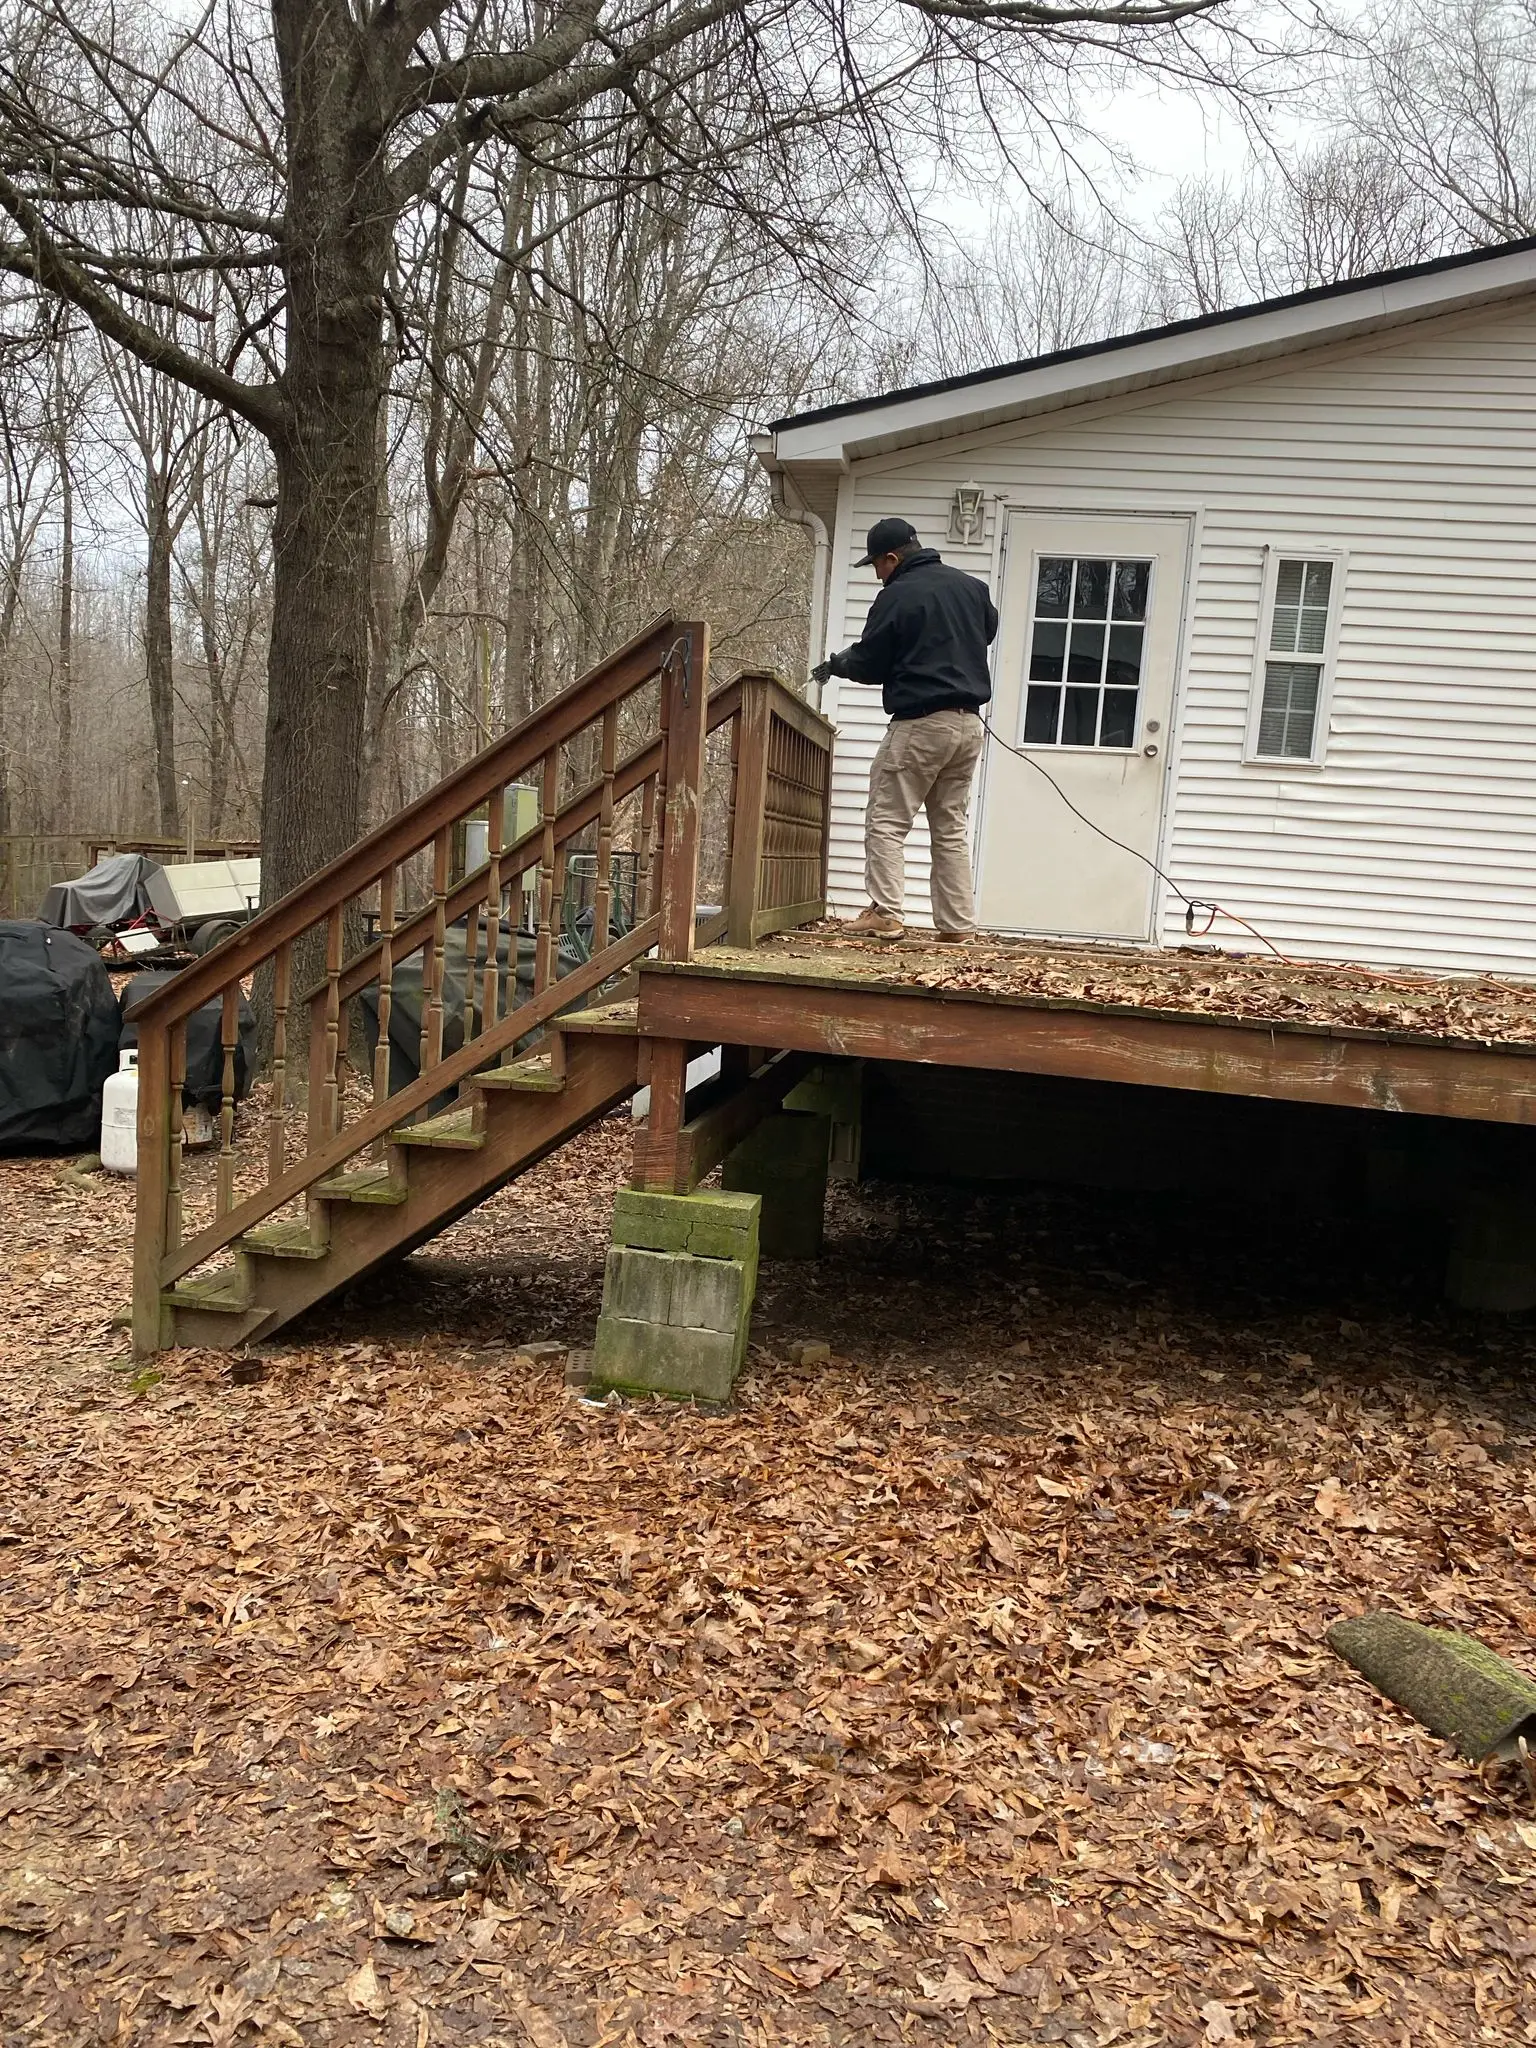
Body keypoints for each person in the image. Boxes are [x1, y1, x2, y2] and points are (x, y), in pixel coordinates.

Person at [813, 516, 998, 943]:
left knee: (886, 818)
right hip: (968, 724)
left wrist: (839, 663)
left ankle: (887, 913)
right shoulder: (973, 589)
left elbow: (872, 662)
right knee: (949, 826)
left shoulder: (896, 596)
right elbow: (985, 632)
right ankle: (958, 927)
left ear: (893, 557)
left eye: (877, 565)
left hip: (920, 725)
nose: (877, 575)